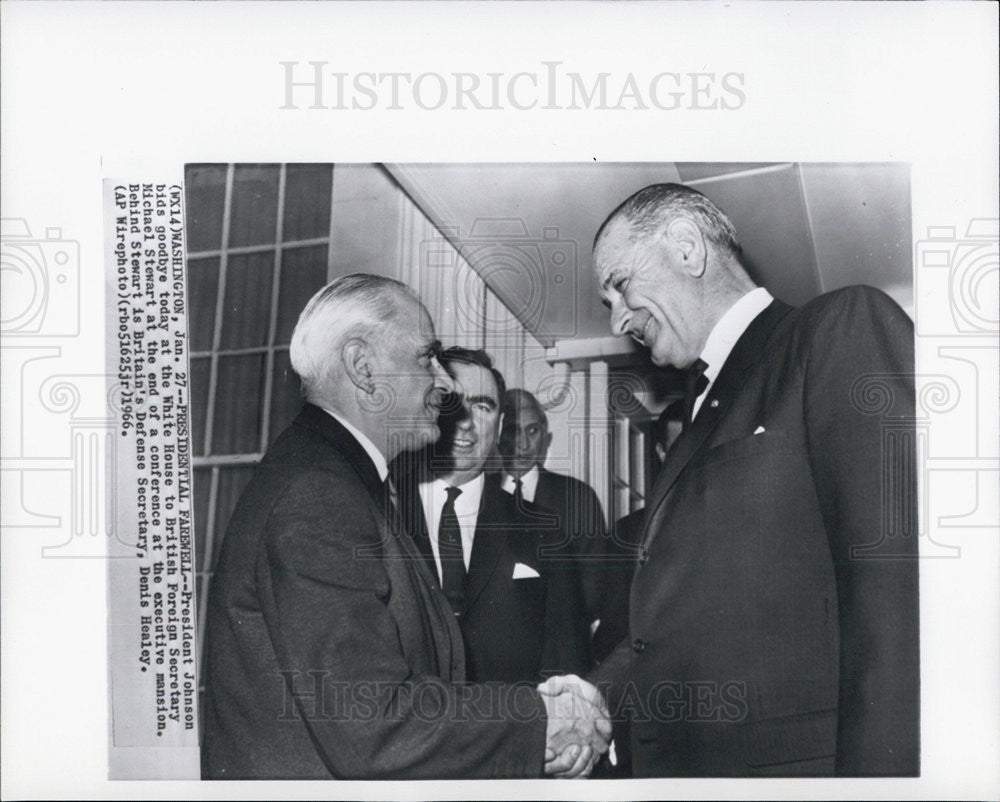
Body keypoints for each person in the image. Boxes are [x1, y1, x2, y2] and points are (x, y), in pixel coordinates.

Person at [549, 183, 919, 777]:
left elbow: (899, 586)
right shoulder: (705, 400)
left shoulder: (835, 330)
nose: (618, 317)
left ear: (688, 249)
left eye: (619, 285)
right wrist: (602, 696)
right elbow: (691, 618)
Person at [201, 273, 609, 780]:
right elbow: (374, 721)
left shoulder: (340, 480)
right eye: (426, 357)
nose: (447, 382)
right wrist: (540, 720)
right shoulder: (319, 495)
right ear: (363, 367)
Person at [394, 347, 590, 684]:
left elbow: (567, 667)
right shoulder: (379, 511)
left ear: (500, 427)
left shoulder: (544, 531)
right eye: (450, 400)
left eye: (482, 406)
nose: (466, 421)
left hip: (510, 731)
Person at [498, 388, 608, 629]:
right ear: (497, 435)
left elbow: (595, 585)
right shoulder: (478, 496)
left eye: (532, 431)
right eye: (513, 430)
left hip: (559, 643)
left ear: (545, 437)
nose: (524, 444)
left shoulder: (578, 497)